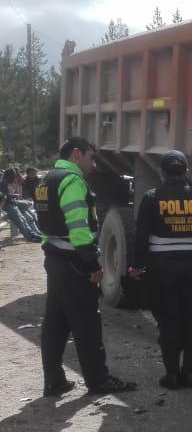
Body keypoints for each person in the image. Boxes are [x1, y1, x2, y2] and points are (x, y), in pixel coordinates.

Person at [36, 138, 136, 396]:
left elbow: (46, 227)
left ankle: (54, 381)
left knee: (55, 322)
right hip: (74, 263)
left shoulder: (46, 180)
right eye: (91, 158)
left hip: (55, 258)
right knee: (87, 323)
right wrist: (92, 264)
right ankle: (99, 381)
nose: (93, 165)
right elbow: (78, 227)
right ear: (76, 153)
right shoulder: (71, 180)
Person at [129, 150, 192, 389]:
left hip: (161, 268)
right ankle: (190, 373)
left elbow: (141, 235)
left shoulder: (152, 197)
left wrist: (137, 265)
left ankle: (172, 374)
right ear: (186, 171)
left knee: (169, 320)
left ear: (162, 172)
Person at [1, 167, 42, 242]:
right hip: (6, 205)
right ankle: (30, 237)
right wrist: (15, 196)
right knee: (20, 220)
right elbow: (4, 197)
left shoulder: (7, 181)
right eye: (13, 175)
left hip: (11, 202)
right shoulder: (3, 183)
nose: (14, 177)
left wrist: (15, 198)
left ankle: (32, 234)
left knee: (23, 219)